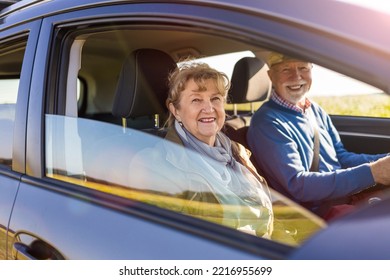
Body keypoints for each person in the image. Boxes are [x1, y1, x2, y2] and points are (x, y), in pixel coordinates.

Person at [128, 62, 274, 237]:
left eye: (215, 99)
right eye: (196, 100)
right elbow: (171, 242)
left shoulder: (237, 152)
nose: (209, 108)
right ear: (175, 110)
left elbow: (268, 218)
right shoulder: (152, 164)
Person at [247, 52, 390, 220]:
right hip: (314, 215)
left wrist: (384, 161)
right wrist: (372, 173)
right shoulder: (267, 122)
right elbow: (299, 185)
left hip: (344, 200)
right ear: (271, 75)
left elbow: (341, 158)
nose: (297, 76)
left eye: (303, 68)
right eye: (286, 69)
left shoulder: (314, 110)